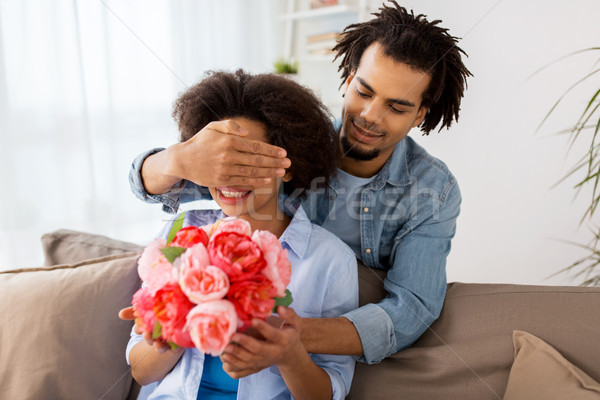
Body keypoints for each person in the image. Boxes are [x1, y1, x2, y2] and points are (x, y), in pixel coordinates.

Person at [129, 1, 471, 367]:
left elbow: (413, 309)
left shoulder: (434, 190)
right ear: (348, 78)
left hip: (327, 344)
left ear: (421, 113)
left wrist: (278, 334)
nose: (370, 116)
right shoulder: (290, 143)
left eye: (397, 107)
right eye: (365, 92)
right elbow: (168, 186)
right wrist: (177, 158)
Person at [124, 70, 358, 399]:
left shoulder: (330, 261)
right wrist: (172, 323)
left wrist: (289, 357)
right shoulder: (181, 235)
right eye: (219, 161)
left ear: (288, 165)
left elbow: (330, 393)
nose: (230, 177)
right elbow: (140, 370)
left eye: (247, 160)